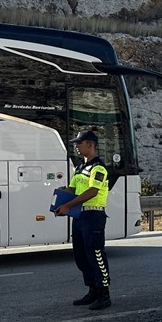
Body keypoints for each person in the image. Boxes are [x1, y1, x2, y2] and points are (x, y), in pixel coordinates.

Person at [55, 130, 113, 310]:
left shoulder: (99, 168)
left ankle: (104, 294)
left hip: (93, 216)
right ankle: (92, 290)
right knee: (82, 256)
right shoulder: (80, 167)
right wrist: (61, 197)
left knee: (96, 254)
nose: (76, 146)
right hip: (80, 216)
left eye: (79, 143)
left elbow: (92, 192)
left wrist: (68, 205)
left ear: (90, 144)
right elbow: (74, 189)